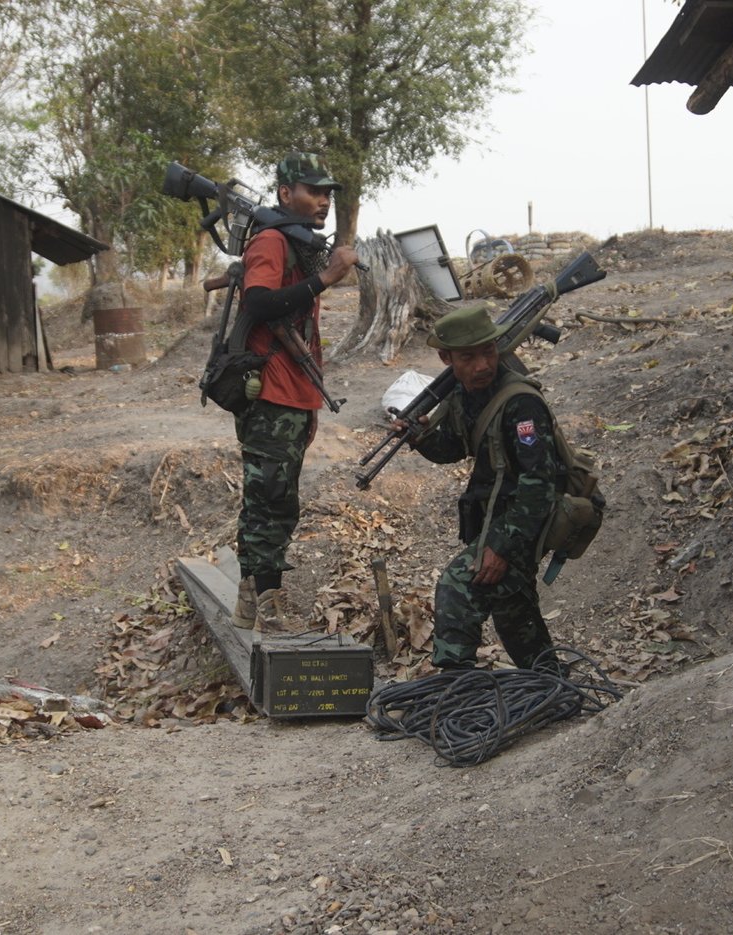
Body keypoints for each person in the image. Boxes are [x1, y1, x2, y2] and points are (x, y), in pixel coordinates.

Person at [230, 152, 359, 633]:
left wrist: (309, 400)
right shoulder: (270, 241)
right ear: (286, 194)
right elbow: (259, 302)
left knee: (271, 498)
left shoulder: (297, 244)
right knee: (273, 500)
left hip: (293, 395)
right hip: (270, 397)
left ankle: (250, 599)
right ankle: (269, 604)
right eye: (314, 191)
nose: (324, 201)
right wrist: (328, 277)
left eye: (328, 193)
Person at [400, 303, 565, 671]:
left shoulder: (520, 402)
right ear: (446, 358)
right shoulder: (467, 394)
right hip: (499, 517)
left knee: (457, 588)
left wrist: (501, 546)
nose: (482, 365)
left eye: (488, 352)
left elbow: (539, 485)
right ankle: (550, 683)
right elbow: (456, 448)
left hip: (523, 521)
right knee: (513, 609)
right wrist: (420, 436)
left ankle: (455, 689)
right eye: (468, 357)